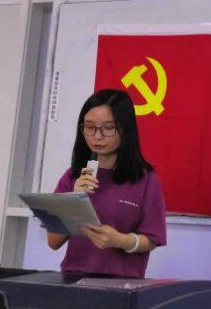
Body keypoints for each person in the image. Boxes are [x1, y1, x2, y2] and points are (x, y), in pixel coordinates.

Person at [47, 89, 166, 278]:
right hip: (73, 280)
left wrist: (120, 241)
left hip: (123, 283)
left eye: (108, 128)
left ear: (125, 129)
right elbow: (53, 242)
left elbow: (152, 239)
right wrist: (73, 201)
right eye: (90, 127)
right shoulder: (74, 175)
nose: (97, 136)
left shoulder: (145, 178)